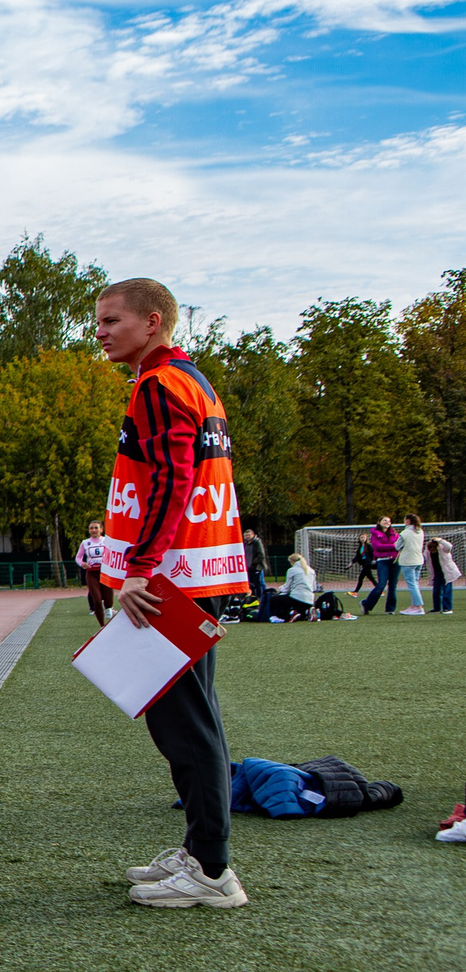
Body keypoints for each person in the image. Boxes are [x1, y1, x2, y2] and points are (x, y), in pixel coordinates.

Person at [95, 278, 249, 910]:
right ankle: (202, 852)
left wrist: (140, 567)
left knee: (185, 726)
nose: (100, 331)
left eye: (111, 320)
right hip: (197, 574)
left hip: (172, 581)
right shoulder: (193, 380)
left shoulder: (159, 385)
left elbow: (172, 479)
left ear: (152, 322)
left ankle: (212, 871)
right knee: (194, 719)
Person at [75, 519, 111, 626]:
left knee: (109, 601)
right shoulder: (85, 543)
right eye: (91, 528)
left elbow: (114, 554)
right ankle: (102, 625)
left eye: (96, 528)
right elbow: (78, 557)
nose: (94, 530)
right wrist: (83, 564)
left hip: (105, 573)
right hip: (92, 573)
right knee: (97, 600)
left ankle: (109, 609)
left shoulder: (107, 540)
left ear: (101, 529)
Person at [360, 516, 399, 614]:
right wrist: (393, 546)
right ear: (379, 522)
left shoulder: (394, 533)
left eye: (389, 521)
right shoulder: (375, 534)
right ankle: (366, 604)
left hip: (395, 561)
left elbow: (399, 545)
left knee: (393, 585)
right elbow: (378, 547)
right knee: (381, 584)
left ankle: (390, 609)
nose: (387, 522)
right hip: (383, 561)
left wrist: (394, 547)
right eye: (385, 520)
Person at [397, 515, 427, 615]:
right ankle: (414, 605)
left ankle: (418, 606)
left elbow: (397, 546)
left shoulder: (405, 533)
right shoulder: (420, 531)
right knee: (415, 583)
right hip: (418, 559)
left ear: (408, 521)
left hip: (408, 561)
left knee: (412, 584)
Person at [278, 552, 317, 621]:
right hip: (310, 599)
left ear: (292, 561)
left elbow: (286, 588)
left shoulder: (292, 570)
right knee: (300, 606)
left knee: (276, 599)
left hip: (297, 597)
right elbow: (314, 588)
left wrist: (280, 589)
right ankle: (307, 612)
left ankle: (287, 614)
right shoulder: (311, 571)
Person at [432, 533, 458, 615]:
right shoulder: (428, 552)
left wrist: (440, 540)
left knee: (446, 589)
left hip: (447, 572)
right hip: (437, 572)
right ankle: (436, 608)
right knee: (436, 590)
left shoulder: (443, 549)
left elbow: (449, 546)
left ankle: (447, 608)